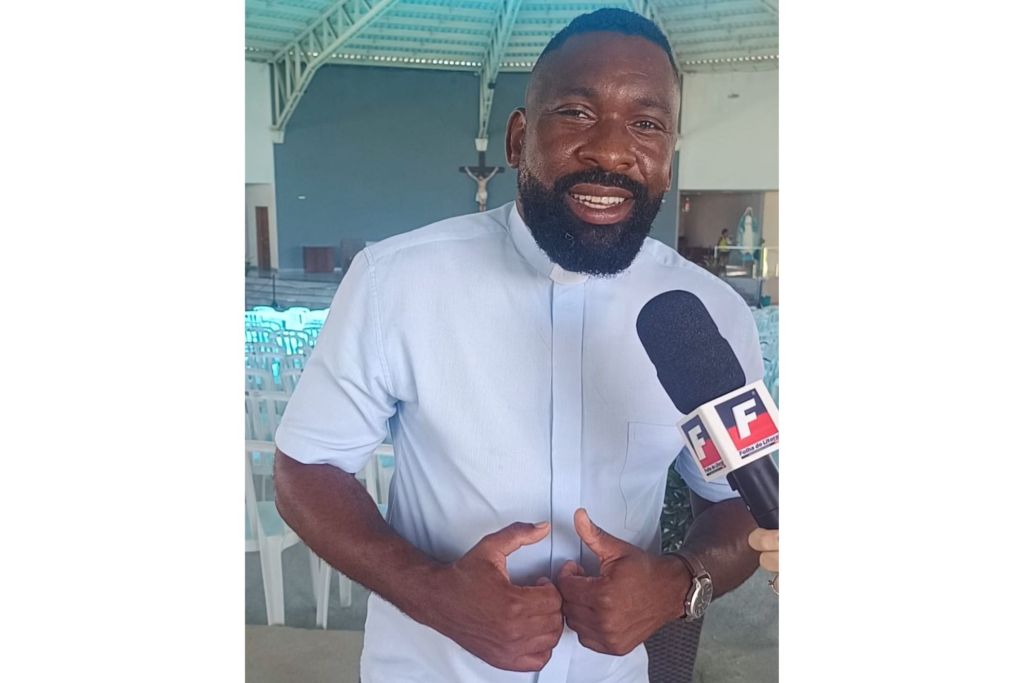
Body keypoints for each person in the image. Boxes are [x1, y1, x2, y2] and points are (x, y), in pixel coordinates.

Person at [274, 9, 766, 682]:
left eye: (646, 123)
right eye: (576, 113)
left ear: (668, 152)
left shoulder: (710, 313)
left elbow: (740, 496)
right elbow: (305, 469)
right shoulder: (397, 283)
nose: (612, 149)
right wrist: (433, 593)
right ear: (516, 138)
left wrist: (682, 582)